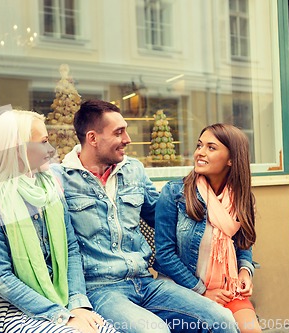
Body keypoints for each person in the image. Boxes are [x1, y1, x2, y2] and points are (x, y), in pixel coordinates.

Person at [51, 99, 240, 333]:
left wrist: (217, 200)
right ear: (92, 138)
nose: (127, 139)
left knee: (223, 320)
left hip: (146, 282)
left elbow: (162, 216)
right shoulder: (59, 179)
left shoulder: (134, 170)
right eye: (119, 132)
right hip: (102, 289)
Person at [0, 110, 119, 333]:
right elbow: (1, 278)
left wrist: (77, 305)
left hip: (64, 298)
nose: (51, 150)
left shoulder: (51, 187)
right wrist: (60, 316)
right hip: (15, 309)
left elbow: (70, 249)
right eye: (44, 142)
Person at [154, 123, 261, 333]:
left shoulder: (241, 198)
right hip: (181, 289)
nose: (200, 153)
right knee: (222, 324)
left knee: (251, 330)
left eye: (211, 148)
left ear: (231, 159)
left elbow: (243, 244)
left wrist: (245, 272)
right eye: (199, 145)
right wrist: (202, 291)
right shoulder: (175, 193)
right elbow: (164, 255)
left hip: (226, 289)